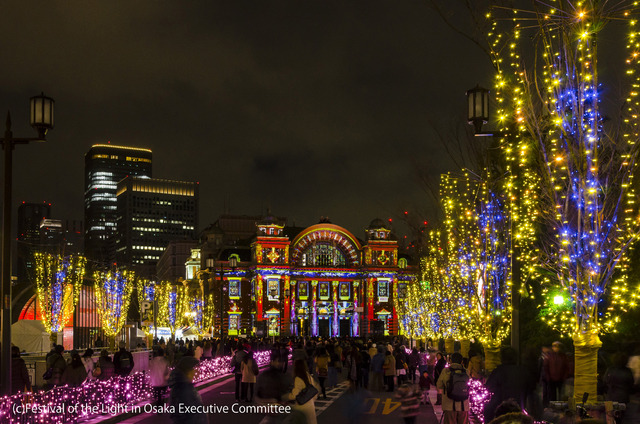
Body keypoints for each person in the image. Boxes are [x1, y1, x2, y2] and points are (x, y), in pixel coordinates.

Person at [484, 347, 532, 423]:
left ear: (502, 358)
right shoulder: (524, 371)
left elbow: (489, 387)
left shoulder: (498, 371)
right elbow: (531, 389)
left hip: (501, 409)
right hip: (519, 408)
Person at [169, 356, 206, 424]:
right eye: (195, 368)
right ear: (188, 370)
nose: (197, 371)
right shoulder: (184, 389)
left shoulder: (183, 385)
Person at [437, 352, 470, 424]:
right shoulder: (466, 371)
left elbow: (439, 385)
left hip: (449, 405)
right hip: (463, 405)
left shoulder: (446, 371)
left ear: (450, 360)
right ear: (461, 361)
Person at [288, 359, 320, 424]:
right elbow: (314, 389)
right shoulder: (308, 376)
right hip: (310, 405)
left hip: (302, 407)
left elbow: (295, 395)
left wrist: (287, 396)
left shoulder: (298, 379)